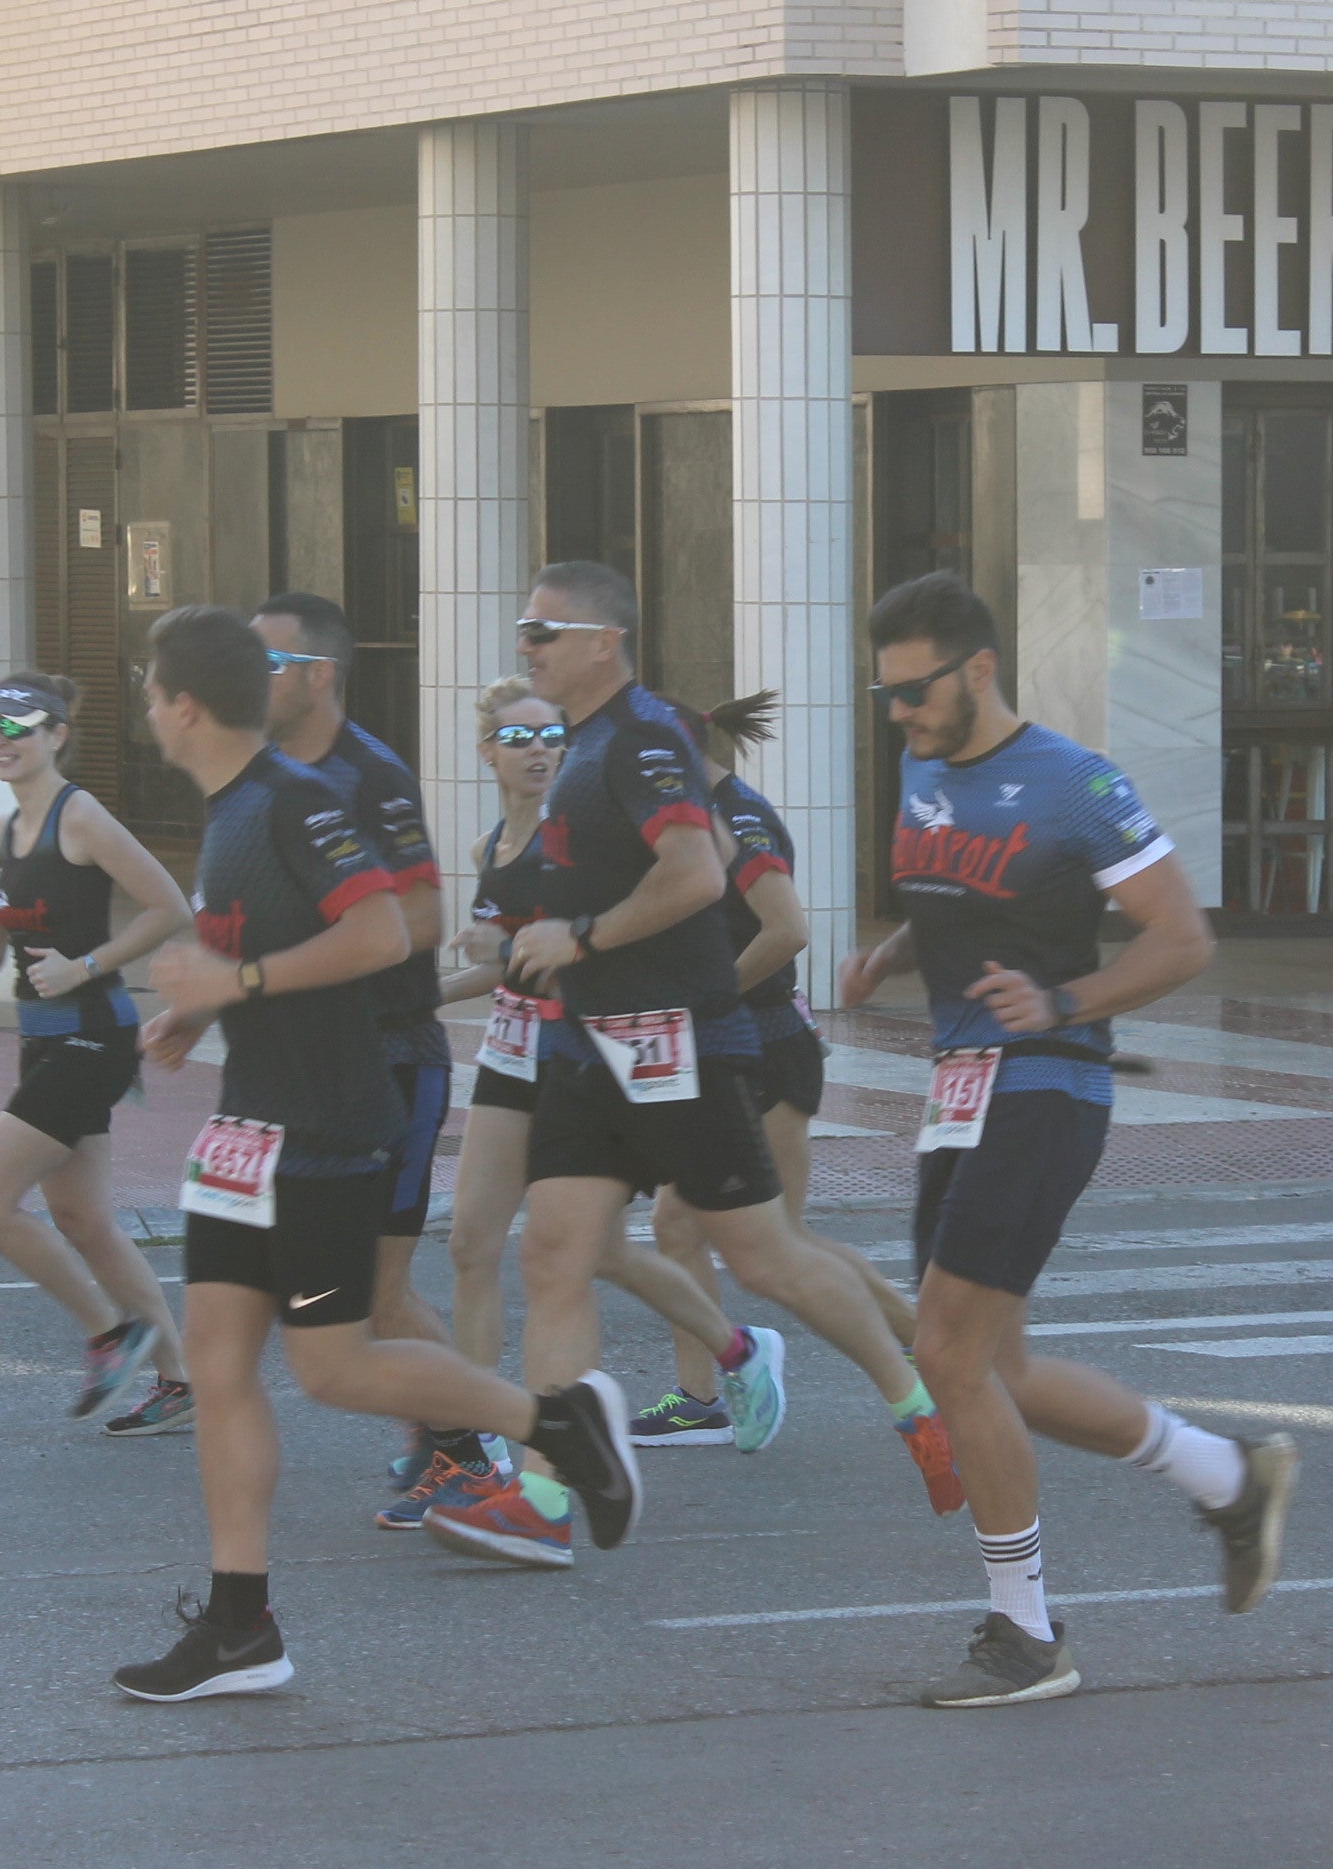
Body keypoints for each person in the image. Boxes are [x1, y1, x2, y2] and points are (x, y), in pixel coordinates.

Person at [112, 606, 641, 1702]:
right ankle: (239, 1627)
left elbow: (382, 932)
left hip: (323, 1126)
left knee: (332, 1367)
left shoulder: (297, 802)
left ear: (184, 705)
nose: (146, 709)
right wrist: (196, 1013)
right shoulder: (226, 812)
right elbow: (253, 940)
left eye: (149, 690)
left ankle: (554, 1421)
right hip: (243, 1128)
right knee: (216, 1369)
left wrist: (236, 985)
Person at [842, 571, 1294, 1709]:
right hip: (959, 1088)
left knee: (946, 1355)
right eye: (885, 696)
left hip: (1046, 1089)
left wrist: (1067, 1002)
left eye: (912, 693)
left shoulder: (1076, 784)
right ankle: (1227, 1474)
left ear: (979, 670)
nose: (897, 716)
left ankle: (1025, 1635)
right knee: (1000, 1372)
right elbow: (959, 892)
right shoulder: (922, 767)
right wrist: (898, 952)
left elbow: (1181, 938)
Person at [423, 562, 929, 1572]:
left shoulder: (645, 736)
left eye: (542, 631)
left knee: (763, 1256)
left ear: (602, 642)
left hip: (680, 1044)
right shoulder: (583, 748)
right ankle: (546, 1496)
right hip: (589, 1045)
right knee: (555, 1253)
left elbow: (693, 875)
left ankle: (923, 1403)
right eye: (524, 631)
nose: (526, 646)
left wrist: (586, 936)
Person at [400, 676, 790, 1543]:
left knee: (599, 1250)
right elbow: (511, 962)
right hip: (514, 1044)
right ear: (487, 753)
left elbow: (658, 904)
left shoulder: (595, 831)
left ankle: (734, 1350)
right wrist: (417, 994)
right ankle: (480, 1451)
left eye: (550, 736)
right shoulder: (488, 842)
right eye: (517, 738)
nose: (537, 750)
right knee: (471, 1242)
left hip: (589, 1046)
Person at [630, 692, 965, 1513]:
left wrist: (698, 1000)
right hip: (725, 1048)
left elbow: (786, 931)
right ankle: (701, 1395)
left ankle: (929, 1358)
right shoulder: (690, 814)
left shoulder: (737, 817)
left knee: (780, 1246)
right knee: (680, 1224)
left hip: (765, 1047)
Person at [0, 671, 193, 1427]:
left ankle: (108, 1335)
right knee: (83, 1218)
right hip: (45, 1040)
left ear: (57, 734)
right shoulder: (2, 833)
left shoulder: (80, 815)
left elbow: (169, 906)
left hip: (96, 1036)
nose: (3, 742)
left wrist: (84, 966)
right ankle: (181, 1383)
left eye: (19, 728)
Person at [225, 592, 464, 1466]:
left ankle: (474, 1451)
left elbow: (426, 916)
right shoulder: (262, 778)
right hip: (306, 1070)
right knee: (297, 1291)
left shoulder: (371, 775)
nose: (253, 682)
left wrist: (296, 960)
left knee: (381, 1295)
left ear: (320, 676)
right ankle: (453, 1443)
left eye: (271, 666)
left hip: (394, 1060)